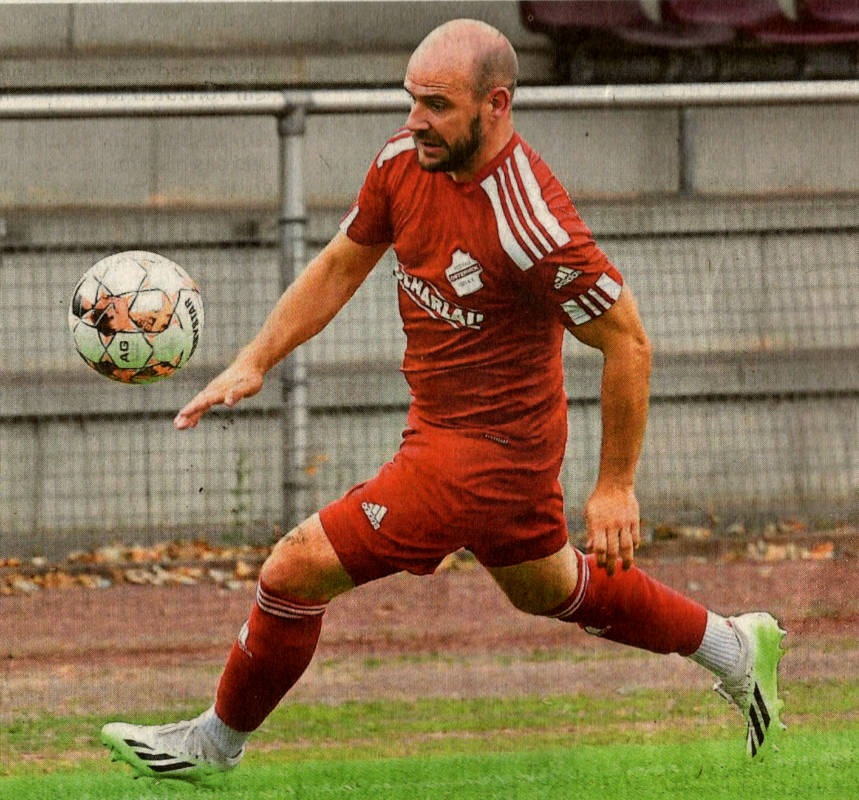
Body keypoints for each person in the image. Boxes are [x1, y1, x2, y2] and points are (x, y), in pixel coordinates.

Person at [101, 19, 786, 785]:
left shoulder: (532, 223)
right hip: (447, 427)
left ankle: (214, 744)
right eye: (410, 100)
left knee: (293, 571)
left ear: (495, 105)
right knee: (549, 588)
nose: (414, 121)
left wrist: (615, 484)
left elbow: (627, 340)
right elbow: (338, 266)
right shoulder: (403, 162)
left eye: (435, 105)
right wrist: (255, 359)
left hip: (484, 453)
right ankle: (732, 646)